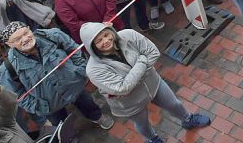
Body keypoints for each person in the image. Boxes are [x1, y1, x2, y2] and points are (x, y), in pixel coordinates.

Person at [80, 23, 211, 143]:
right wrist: (142, 60)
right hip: (130, 103)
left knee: (174, 103)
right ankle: (152, 139)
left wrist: (132, 80)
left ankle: (188, 119)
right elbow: (122, 88)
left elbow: (153, 53)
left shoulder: (128, 35)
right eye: (98, 41)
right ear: (91, 46)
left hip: (153, 83)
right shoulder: (93, 69)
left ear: (111, 31)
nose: (106, 41)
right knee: (143, 124)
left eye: (106, 34)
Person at [0, 21, 114, 129]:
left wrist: (80, 71)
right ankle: (67, 135)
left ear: (29, 29)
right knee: (60, 124)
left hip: (74, 86)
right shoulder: (7, 69)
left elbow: (73, 50)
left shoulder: (52, 35)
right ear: (10, 44)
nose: (25, 39)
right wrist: (38, 107)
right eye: (17, 39)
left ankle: (97, 117)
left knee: (87, 104)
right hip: (50, 105)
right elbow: (17, 95)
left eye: (26, 33)